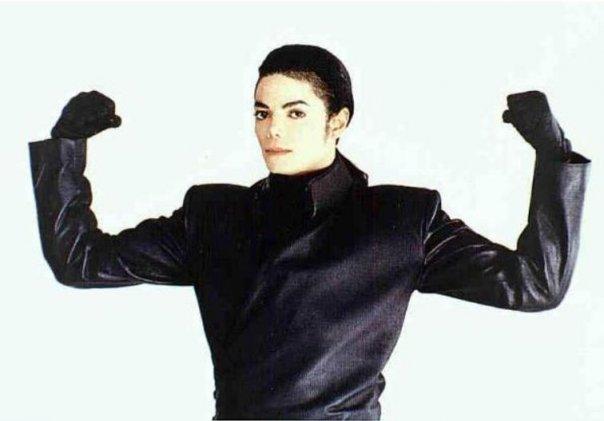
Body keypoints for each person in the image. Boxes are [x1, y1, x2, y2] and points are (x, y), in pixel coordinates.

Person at [28, 44, 591, 420]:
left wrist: (555, 157)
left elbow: (535, 285)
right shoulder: (214, 215)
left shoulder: (400, 218)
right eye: (261, 113)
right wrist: (66, 151)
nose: (272, 129)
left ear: (338, 120)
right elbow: (81, 262)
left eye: (295, 112)